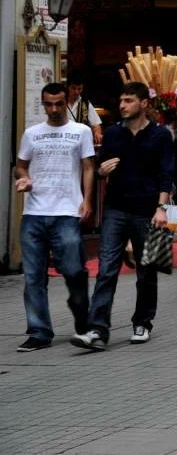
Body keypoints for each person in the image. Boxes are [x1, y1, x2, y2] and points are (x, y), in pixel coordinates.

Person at [73, 82, 175, 350]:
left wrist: (162, 208)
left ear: (144, 103)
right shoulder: (113, 134)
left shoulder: (160, 135)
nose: (122, 105)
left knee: (146, 271)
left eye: (129, 100)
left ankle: (142, 322)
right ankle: (97, 330)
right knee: (106, 269)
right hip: (116, 209)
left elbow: (166, 174)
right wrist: (102, 171)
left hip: (147, 210)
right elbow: (100, 168)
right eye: (121, 100)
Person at [15, 82, 95, 351]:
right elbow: (21, 166)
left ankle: (82, 315)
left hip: (66, 212)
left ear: (66, 100)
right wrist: (24, 179)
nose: (54, 109)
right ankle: (39, 330)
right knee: (33, 276)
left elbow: (87, 167)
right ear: (43, 103)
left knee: (74, 270)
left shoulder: (80, 131)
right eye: (48, 104)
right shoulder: (32, 133)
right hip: (34, 214)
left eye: (59, 104)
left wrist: (87, 200)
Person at [65, 69, 102, 145]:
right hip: (63, 141)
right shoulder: (61, 102)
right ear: (67, 87)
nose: (76, 92)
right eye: (73, 88)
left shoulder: (85, 103)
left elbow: (96, 124)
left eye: (79, 89)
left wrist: (97, 133)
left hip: (80, 143)